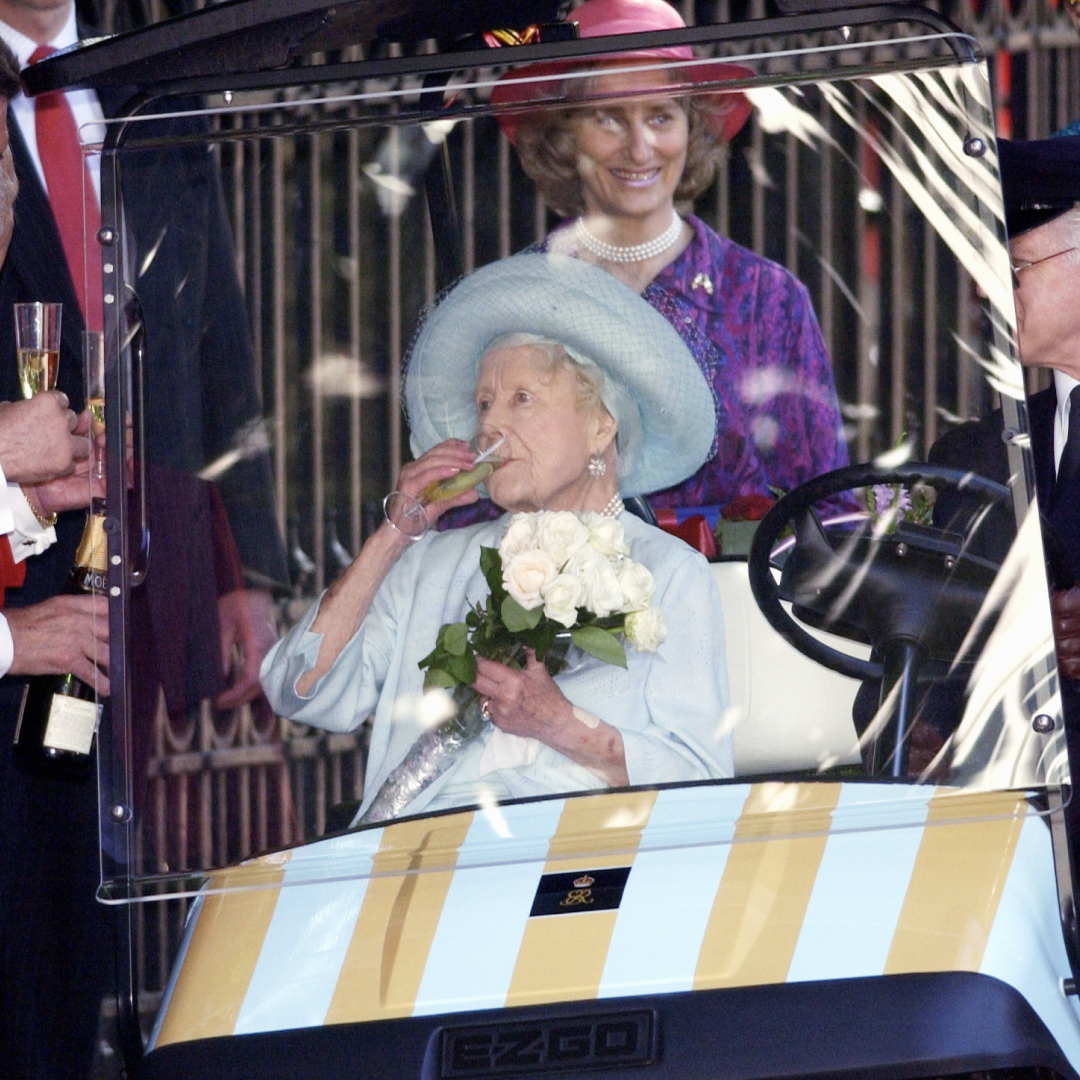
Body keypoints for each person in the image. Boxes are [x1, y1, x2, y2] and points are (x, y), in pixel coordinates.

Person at [262, 254, 732, 819]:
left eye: (521, 399)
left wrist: (562, 726)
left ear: (601, 426)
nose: (489, 425)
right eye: (484, 403)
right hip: (415, 873)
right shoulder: (430, 567)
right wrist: (393, 535)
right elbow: (298, 689)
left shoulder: (670, 573)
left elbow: (704, 785)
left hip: (580, 877)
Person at [0, 0, 288, 713]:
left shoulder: (153, 86)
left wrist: (243, 565)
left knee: (158, 822)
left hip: (164, 558)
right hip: (23, 590)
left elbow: (217, 328)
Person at [481, 0, 848, 516]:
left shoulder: (768, 298)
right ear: (563, 135)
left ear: (690, 128)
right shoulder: (512, 301)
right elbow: (479, 507)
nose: (640, 147)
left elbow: (826, 506)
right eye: (608, 117)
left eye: (660, 115)